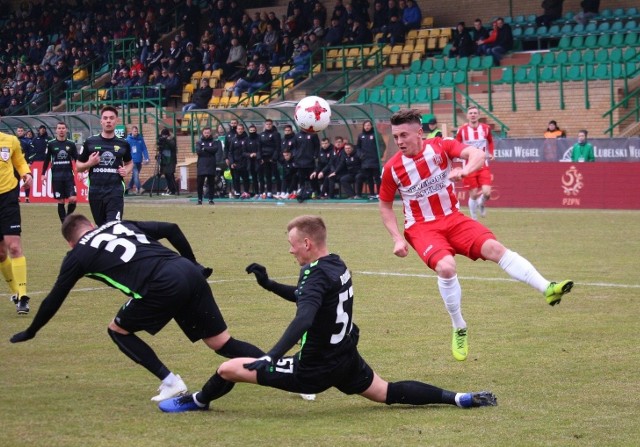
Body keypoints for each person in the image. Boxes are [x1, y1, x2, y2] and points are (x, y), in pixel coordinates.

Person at [157, 215, 498, 413]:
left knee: (228, 368)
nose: (290, 250)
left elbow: (305, 316)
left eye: (292, 244)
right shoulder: (336, 263)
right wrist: (270, 284)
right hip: (345, 357)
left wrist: (271, 356)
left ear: (307, 243)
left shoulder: (313, 274)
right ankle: (457, 398)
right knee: (387, 392)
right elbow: (310, 300)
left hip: (314, 368)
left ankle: (198, 401)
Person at [378, 109, 574, 362]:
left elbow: (477, 153)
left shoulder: (441, 146)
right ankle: (459, 326)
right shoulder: (392, 169)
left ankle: (547, 287)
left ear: (419, 132)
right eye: (396, 137)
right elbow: (384, 205)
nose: (400, 141)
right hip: (422, 227)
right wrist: (396, 238)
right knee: (446, 268)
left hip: (454, 219)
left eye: (404, 134)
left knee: (495, 248)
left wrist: (466, 169)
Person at [9, 214, 265, 402]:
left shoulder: (77, 255)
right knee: (221, 343)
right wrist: (193, 262)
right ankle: (292, 376)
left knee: (117, 329)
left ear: (70, 243)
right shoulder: (117, 224)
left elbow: (54, 298)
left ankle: (171, 381)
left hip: (161, 284)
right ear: (92, 226)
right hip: (186, 271)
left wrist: (32, 331)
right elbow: (172, 228)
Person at [76, 106, 132, 226]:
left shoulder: (123, 143)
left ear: (116, 120)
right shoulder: (90, 142)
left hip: (115, 191)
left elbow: (129, 163)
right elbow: (78, 166)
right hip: (95, 192)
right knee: (102, 228)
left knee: (113, 226)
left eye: (111, 118)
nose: (108, 121)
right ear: (101, 121)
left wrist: (126, 170)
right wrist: (89, 163)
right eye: (105, 118)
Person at [0, 130, 32, 314]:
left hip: (8, 198)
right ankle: (15, 293)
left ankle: (23, 296)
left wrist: (27, 174)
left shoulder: (10, 140)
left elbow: (19, 162)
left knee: (14, 247)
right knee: (1, 254)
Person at [455, 106, 494, 220]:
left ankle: (481, 203)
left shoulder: (486, 128)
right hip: (469, 166)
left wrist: (491, 152)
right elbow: (456, 145)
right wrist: (458, 155)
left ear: (479, 115)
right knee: (473, 194)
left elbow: (490, 141)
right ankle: (474, 218)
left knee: (487, 193)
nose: (473, 115)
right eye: (470, 113)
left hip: (483, 164)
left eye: (475, 113)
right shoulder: (462, 130)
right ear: (467, 116)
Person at [42, 122, 78, 223]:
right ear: (56, 130)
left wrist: (81, 170)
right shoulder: (51, 144)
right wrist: (42, 174)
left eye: (63, 128)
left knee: (73, 199)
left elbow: (77, 158)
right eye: (59, 128)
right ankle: (64, 223)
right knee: (61, 201)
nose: (61, 130)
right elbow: (46, 160)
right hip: (56, 177)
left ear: (66, 130)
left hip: (68, 176)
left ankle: (67, 217)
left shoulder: (71, 144)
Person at [355, 120, 382, 199]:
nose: (367, 127)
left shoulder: (376, 135)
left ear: (371, 126)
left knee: (377, 178)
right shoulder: (361, 136)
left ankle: (380, 193)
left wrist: (379, 155)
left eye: (368, 125)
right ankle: (372, 194)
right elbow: (358, 147)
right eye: (365, 125)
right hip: (365, 161)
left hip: (375, 160)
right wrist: (360, 155)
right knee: (369, 177)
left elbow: (382, 145)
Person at [196, 127, 221, 204]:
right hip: (201, 164)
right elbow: (199, 151)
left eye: (208, 132)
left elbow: (215, 149)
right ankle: (200, 199)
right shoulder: (199, 142)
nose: (207, 134)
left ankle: (210, 199)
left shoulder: (214, 141)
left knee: (211, 183)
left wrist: (205, 148)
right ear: (203, 133)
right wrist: (209, 149)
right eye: (205, 133)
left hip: (211, 164)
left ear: (210, 133)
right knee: (200, 183)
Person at [125, 126, 150, 195]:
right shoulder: (128, 140)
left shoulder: (140, 139)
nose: (136, 132)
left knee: (135, 176)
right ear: (132, 131)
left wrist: (146, 158)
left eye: (137, 131)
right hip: (132, 161)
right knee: (136, 175)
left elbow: (144, 149)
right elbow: (125, 150)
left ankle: (129, 187)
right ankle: (139, 188)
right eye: (134, 131)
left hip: (139, 160)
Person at [157, 128, 178, 196]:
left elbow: (172, 146)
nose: (163, 137)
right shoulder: (162, 139)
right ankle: (170, 189)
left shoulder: (172, 139)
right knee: (166, 175)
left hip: (171, 160)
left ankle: (174, 190)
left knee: (170, 175)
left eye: (164, 135)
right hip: (164, 159)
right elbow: (159, 147)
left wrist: (166, 140)